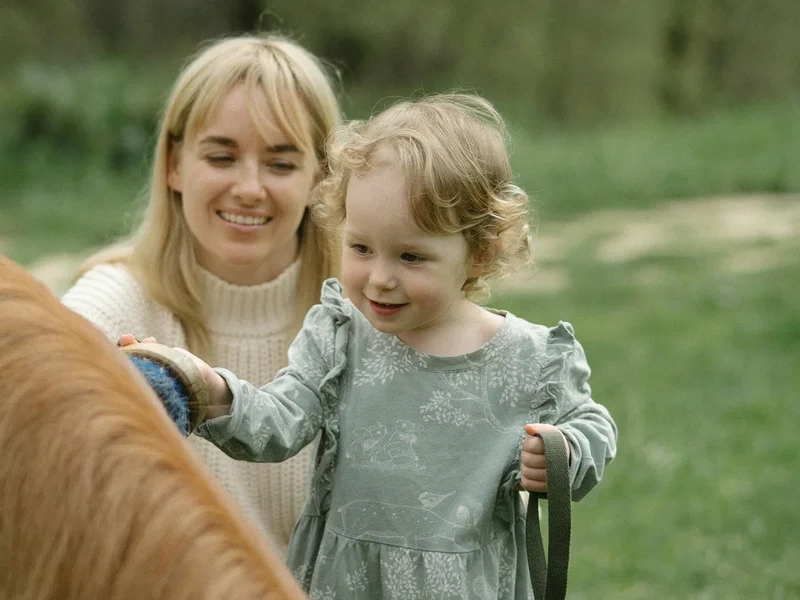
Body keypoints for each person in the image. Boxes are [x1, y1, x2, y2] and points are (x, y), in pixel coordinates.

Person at [137, 94, 618, 597]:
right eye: (361, 248)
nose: (380, 279)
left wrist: (564, 452)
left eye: (411, 257)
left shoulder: (529, 358)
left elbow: (592, 425)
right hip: (347, 582)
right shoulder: (341, 336)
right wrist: (210, 389)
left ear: (480, 252)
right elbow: (280, 421)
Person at [61, 34, 344, 556]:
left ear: (320, 179)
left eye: (281, 164)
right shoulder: (119, 298)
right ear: (173, 163)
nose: (250, 188)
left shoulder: (363, 313)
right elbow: (27, 380)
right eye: (221, 157)